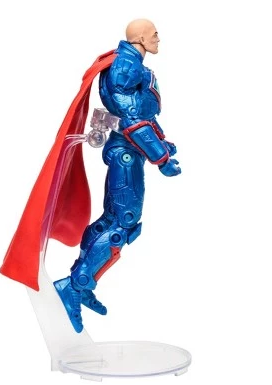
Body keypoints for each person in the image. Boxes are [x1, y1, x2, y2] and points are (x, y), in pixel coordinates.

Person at [53, 18, 181, 333]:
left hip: (130, 152)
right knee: (123, 223)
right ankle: (74, 285)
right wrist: (161, 158)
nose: (158, 38)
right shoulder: (125, 66)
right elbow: (132, 121)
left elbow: (143, 113)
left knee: (113, 221)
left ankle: (82, 283)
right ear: (140, 37)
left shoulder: (131, 64)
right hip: (126, 154)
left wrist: (161, 142)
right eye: (154, 33)